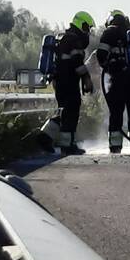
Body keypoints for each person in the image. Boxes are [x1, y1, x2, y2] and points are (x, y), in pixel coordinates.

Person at [39, 11, 95, 155]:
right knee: (71, 112)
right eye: (87, 27)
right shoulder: (73, 39)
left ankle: (44, 137)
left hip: (60, 81)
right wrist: (87, 78)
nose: (88, 32)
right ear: (80, 24)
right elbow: (77, 62)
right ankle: (67, 146)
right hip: (68, 81)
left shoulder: (63, 37)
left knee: (64, 111)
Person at [95, 10, 130, 153]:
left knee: (116, 113)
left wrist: (111, 67)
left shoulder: (109, 33)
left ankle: (115, 147)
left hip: (117, 81)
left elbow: (101, 56)